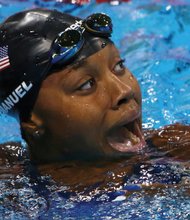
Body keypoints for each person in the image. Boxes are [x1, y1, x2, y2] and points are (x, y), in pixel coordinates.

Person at [0, 8, 190, 191]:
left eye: (118, 66)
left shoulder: (173, 145)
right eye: (86, 85)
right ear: (33, 122)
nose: (123, 91)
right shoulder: (14, 191)